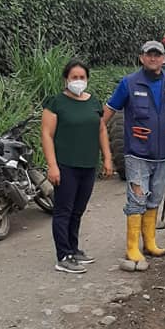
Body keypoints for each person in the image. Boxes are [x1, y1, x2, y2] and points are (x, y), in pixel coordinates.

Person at [103, 40, 165, 271]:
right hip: (137, 154)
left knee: (154, 199)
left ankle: (149, 243)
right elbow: (107, 114)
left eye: (157, 55)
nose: (153, 58)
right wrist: (100, 142)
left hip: (163, 155)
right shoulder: (129, 83)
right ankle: (132, 247)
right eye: (149, 54)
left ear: (163, 58)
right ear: (141, 57)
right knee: (137, 201)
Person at [41, 59, 113, 274]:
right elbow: (47, 135)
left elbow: (101, 130)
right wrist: (52, 166)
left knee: (78, 210)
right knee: (63, 211)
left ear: (87, 79)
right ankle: (63, 256)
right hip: (66, 165)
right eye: (74, 77)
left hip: (88, 165)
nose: (78, 81)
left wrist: (107, 158)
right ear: (66, 79)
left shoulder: (93, 102)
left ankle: (73, 248)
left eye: (82, 77)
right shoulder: (56, 103)